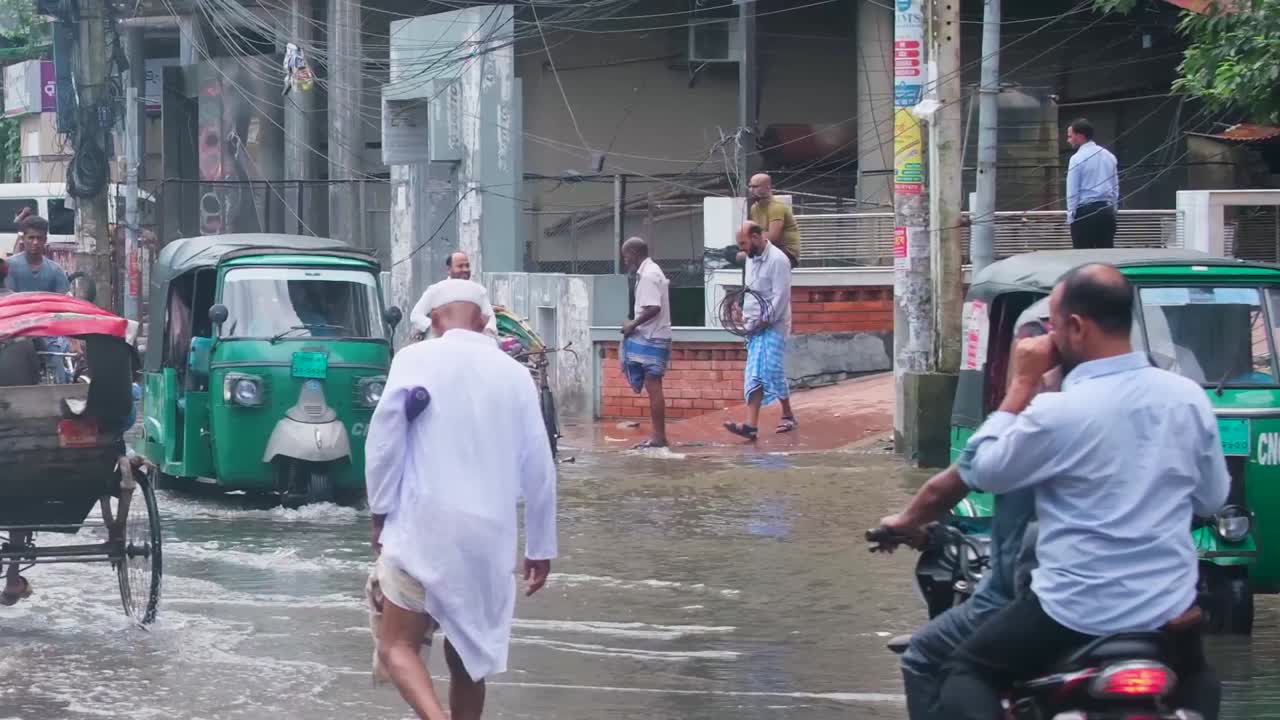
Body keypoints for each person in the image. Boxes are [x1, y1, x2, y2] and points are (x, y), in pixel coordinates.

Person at [885, 263, 1225, 720]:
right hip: (1168, 609)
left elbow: (982, 469)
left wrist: (1023, 384)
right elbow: (1211, 500)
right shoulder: (1189, 399)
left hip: (1072, 613)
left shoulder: (1056, 412)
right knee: (1202, 680)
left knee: (964, 670)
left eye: (1054, 327)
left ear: (1076, 328)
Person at [365, 278, 557, 720]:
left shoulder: (413, 360)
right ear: (486, 320)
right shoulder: (514, 374)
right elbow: (539, 466)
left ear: (433, 320)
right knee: (469, 659)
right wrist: (540, 547)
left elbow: (383, 445)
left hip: (421, 528)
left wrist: (379, 513)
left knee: (397, 645)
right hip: (488, 541)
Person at [893, 308, 1050, 720]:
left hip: (1041, 602)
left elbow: (965, 474)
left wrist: (1019, 392)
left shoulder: (1039, 422)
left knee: (924, 656)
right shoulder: (1172, 403)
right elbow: (1209, 499)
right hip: (1160, 607)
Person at [724, 221, 798, 440]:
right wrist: (741, 308)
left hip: (774, 325)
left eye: (744, 243)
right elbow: (751, 290)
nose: (742, 249)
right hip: (754, 326)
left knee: (771, 370)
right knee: (754, 374)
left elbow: (781, 296)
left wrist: (765, 320)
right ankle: (751, 425)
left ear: (757, 237)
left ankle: (788, 415)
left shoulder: (778, 260)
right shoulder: (750, 259)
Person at [5, 215, 73, 383]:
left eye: (39, 238)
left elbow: (64, 305)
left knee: (57, 359)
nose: (35, 242)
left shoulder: (56, 271)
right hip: (14, 330)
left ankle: (60, 389)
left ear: (45, 240)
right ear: (23, 239)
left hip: (48, 330)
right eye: (31, 237)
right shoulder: (9, 267)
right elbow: (7, 300)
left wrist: (73, 339)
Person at [619, 237, 673, 449]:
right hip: (653, 335)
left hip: (653, 336)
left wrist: (633, 324)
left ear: (633, 253)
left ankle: (659, 437)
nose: (625, 262)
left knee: (653, 386)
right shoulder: (650, 271)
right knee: (652, 385)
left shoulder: (649, 275)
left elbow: (653, 308)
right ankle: (658, 436)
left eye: (626, 257)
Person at [409, 251, 497, 340]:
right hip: (441, 344)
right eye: (460, 266)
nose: (465, 269)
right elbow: (416, 315)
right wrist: (435, 327)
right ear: (449, 269)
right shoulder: (436, 289)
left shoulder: (478, 290)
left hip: (471, 343)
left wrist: (488, 331)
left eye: (467, 266)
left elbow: (490, 318)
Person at [1065, 118, 1119, 250]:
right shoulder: (1109, 156)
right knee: (1106, 254)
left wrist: (1071, 216)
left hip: (1085, 212)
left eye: (1070, 136)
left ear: (1080, 136)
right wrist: (1113, 210)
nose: (1068, 140)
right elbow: (1115, 188)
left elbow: (1072, 191)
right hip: (1106, 211)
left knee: (1083, 257)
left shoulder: (1076, 158)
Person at [747, 173, 802, 268]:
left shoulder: (776, 207)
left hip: (786, 252)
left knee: (747, 254)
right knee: (732, 251)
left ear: (767, 188)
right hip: (768, 248)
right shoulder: (754, 208)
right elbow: (757, 233)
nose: (752, 190)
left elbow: (772, 237)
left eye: (756, 186)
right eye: (750, 186)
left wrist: (750, 240)